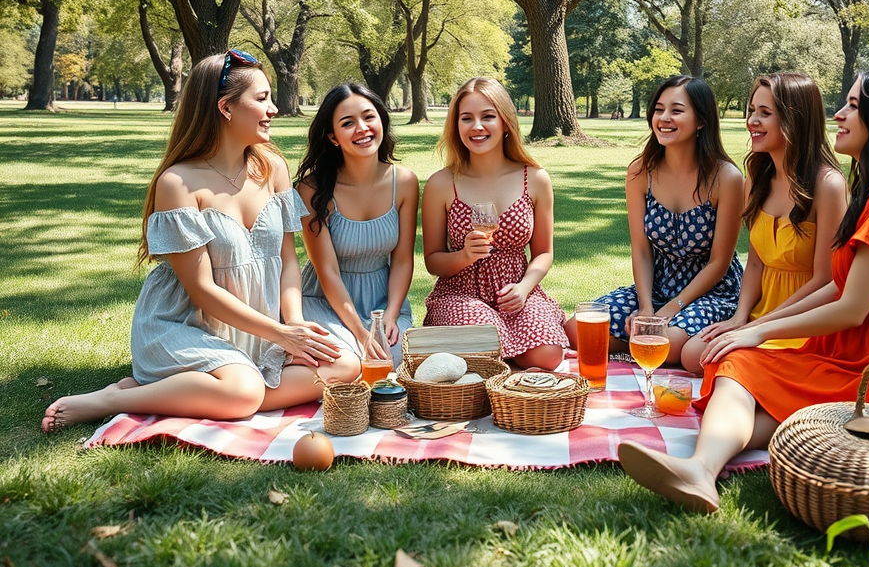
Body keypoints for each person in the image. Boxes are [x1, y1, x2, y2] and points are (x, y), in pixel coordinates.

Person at [618, 67, 869, 513]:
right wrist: (751, 325)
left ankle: (701, 467)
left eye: (854, 106)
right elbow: (839, 284)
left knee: (739, 359)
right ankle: (702, 468)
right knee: (738, 363)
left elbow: (851, 306)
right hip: (849, 348)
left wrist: (758, 330)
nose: (839, 114)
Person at [41, 50, 359, 433]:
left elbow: (288, 261)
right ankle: (114, 398)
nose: (274, 109)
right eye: (262, 99)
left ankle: (183, 392)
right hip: (187, 325)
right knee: (243, 393)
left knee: (346, 365)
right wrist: (279, 334)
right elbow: (203, 290)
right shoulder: (178, 183)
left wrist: (293, 325)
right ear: (226, 107)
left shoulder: (272, 167)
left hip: (259, 322)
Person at [564, 75, 744, 373]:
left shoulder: (726, 178)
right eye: (659, 109)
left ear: (701, 120)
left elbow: (719, 264)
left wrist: (666, 313)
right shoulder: (640, 171)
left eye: (676, 110)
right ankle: (639, 349)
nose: (664, 118)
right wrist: (646, 308)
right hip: (656, 285)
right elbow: (642, 250)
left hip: (710, 291)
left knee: (666, 341)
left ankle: (642, 347)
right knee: (578, 330)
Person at [421, 76, 567, 370]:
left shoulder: (535, 179)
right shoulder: (441, 183)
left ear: (505, 123)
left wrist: (525, 288)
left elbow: (543, 253)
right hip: (460, 293)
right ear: (456, 125)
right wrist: (464, 255)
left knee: (549, 355)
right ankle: (498, 372)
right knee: (489, 344)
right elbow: (433, 261)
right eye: (466, 118)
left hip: (516, 291)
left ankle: (496, 366)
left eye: (488, 116)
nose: (477, 126)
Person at [696, 73, 847, 354]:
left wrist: (761, 327)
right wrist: (740, 318)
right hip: (759, 312)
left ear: (795, 119)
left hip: (802, 321)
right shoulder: (757, 177)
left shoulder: (827, 185)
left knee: (720, 359)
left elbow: (825, 280)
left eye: (765, 113)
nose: (752, 120)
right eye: (752, 110)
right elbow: (755, 264)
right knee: (696, 354)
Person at [295, 83, 418, 365]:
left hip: (384, 300)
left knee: (394, 362)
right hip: (326, 300)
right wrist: (361, 333)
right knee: (348, 363)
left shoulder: (405, 183)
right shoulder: (312, 190)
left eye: (368, 117)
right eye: (348, 123)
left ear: (381, 121)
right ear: (333, 137)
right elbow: (327, 272)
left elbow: (401, 261)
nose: (362, 128)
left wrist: (390, 314)